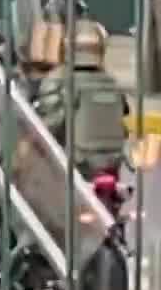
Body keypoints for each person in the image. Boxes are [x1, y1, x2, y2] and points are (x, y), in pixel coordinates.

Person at [33, 18, 129, 176]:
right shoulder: (111, 83)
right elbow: (124, 122)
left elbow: (49, 126)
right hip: (112, 164)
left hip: (76, 168)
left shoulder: (59, 79)